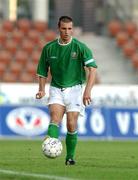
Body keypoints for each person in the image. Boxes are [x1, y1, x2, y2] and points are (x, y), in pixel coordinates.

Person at [36, 16, 97, 165]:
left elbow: (92, 69)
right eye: (64, 28)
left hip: (75, 89)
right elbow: (43, 71)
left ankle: (69, 157)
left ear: (72, 29)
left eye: (70, 28)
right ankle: (51, 143)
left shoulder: (80, 47)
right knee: (55, 118)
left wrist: (87, 91)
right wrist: (42, 89)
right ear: (59, 28)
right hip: (56, 88)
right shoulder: (49, 48)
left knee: (71, 124)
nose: (67, 32)